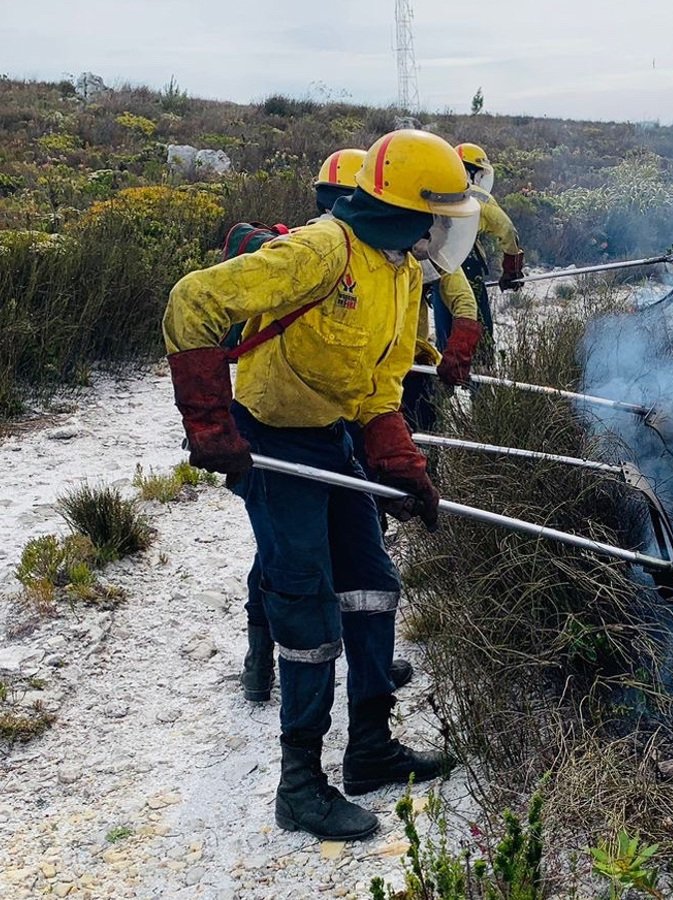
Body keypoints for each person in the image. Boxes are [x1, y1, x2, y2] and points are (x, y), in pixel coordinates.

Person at [163, 129, 479, 841]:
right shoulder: (320, 251)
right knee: (306, 613)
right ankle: (300, 784)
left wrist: (397, 460)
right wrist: (211, 420)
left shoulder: (399, 273)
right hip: (273, 442)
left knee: (372, 585)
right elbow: (193, 302)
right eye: (436, 214)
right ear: (403, 206)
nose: (441, 229)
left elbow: (379, 387)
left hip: (333, 439)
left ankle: (369, 746)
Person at [428, 142, 525, 359]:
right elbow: (507, 229)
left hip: (435, 267)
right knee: (477, 333)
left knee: (445, 337)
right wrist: (512, 269)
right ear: (475, 173)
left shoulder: (435, 189)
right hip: (467, 267)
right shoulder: (478, 195)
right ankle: (479, 383)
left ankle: (444, 384)